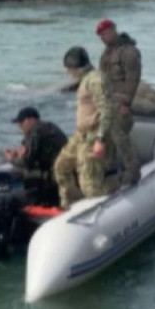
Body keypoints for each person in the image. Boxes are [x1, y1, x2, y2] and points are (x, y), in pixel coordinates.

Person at [52, 47, 120, 207]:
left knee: (91, 188)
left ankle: (120, 180)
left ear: (75, 67)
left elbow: (107, 109)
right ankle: (71, 203)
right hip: (81, 135)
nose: (68, 72)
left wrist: (100, 139)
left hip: (94, 135)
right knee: (61, 167)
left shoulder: (95, 80)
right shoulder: (85, 80)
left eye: (69, 68)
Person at [96, 18, 142, 186]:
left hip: (121, 102)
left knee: (119, 136)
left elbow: (133, 79)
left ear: (114, 29)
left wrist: (126, 103)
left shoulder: (129, 52)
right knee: (106, 137)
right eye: (101, 35)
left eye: (106, 33)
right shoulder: (106, 54)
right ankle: (109, 169)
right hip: (108, 102)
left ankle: (133, 170)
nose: (104, 37)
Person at [3, 106, 67, 206]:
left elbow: (27, 162)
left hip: (52, 175)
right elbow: (33, 150)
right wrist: (18, 152)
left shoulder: (35, 131)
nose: (19, 126)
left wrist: (11, 160)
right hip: (62, 171)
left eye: (21, 122)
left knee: (19, 175)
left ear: (30, 120)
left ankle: (32, 204)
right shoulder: (49, 126)